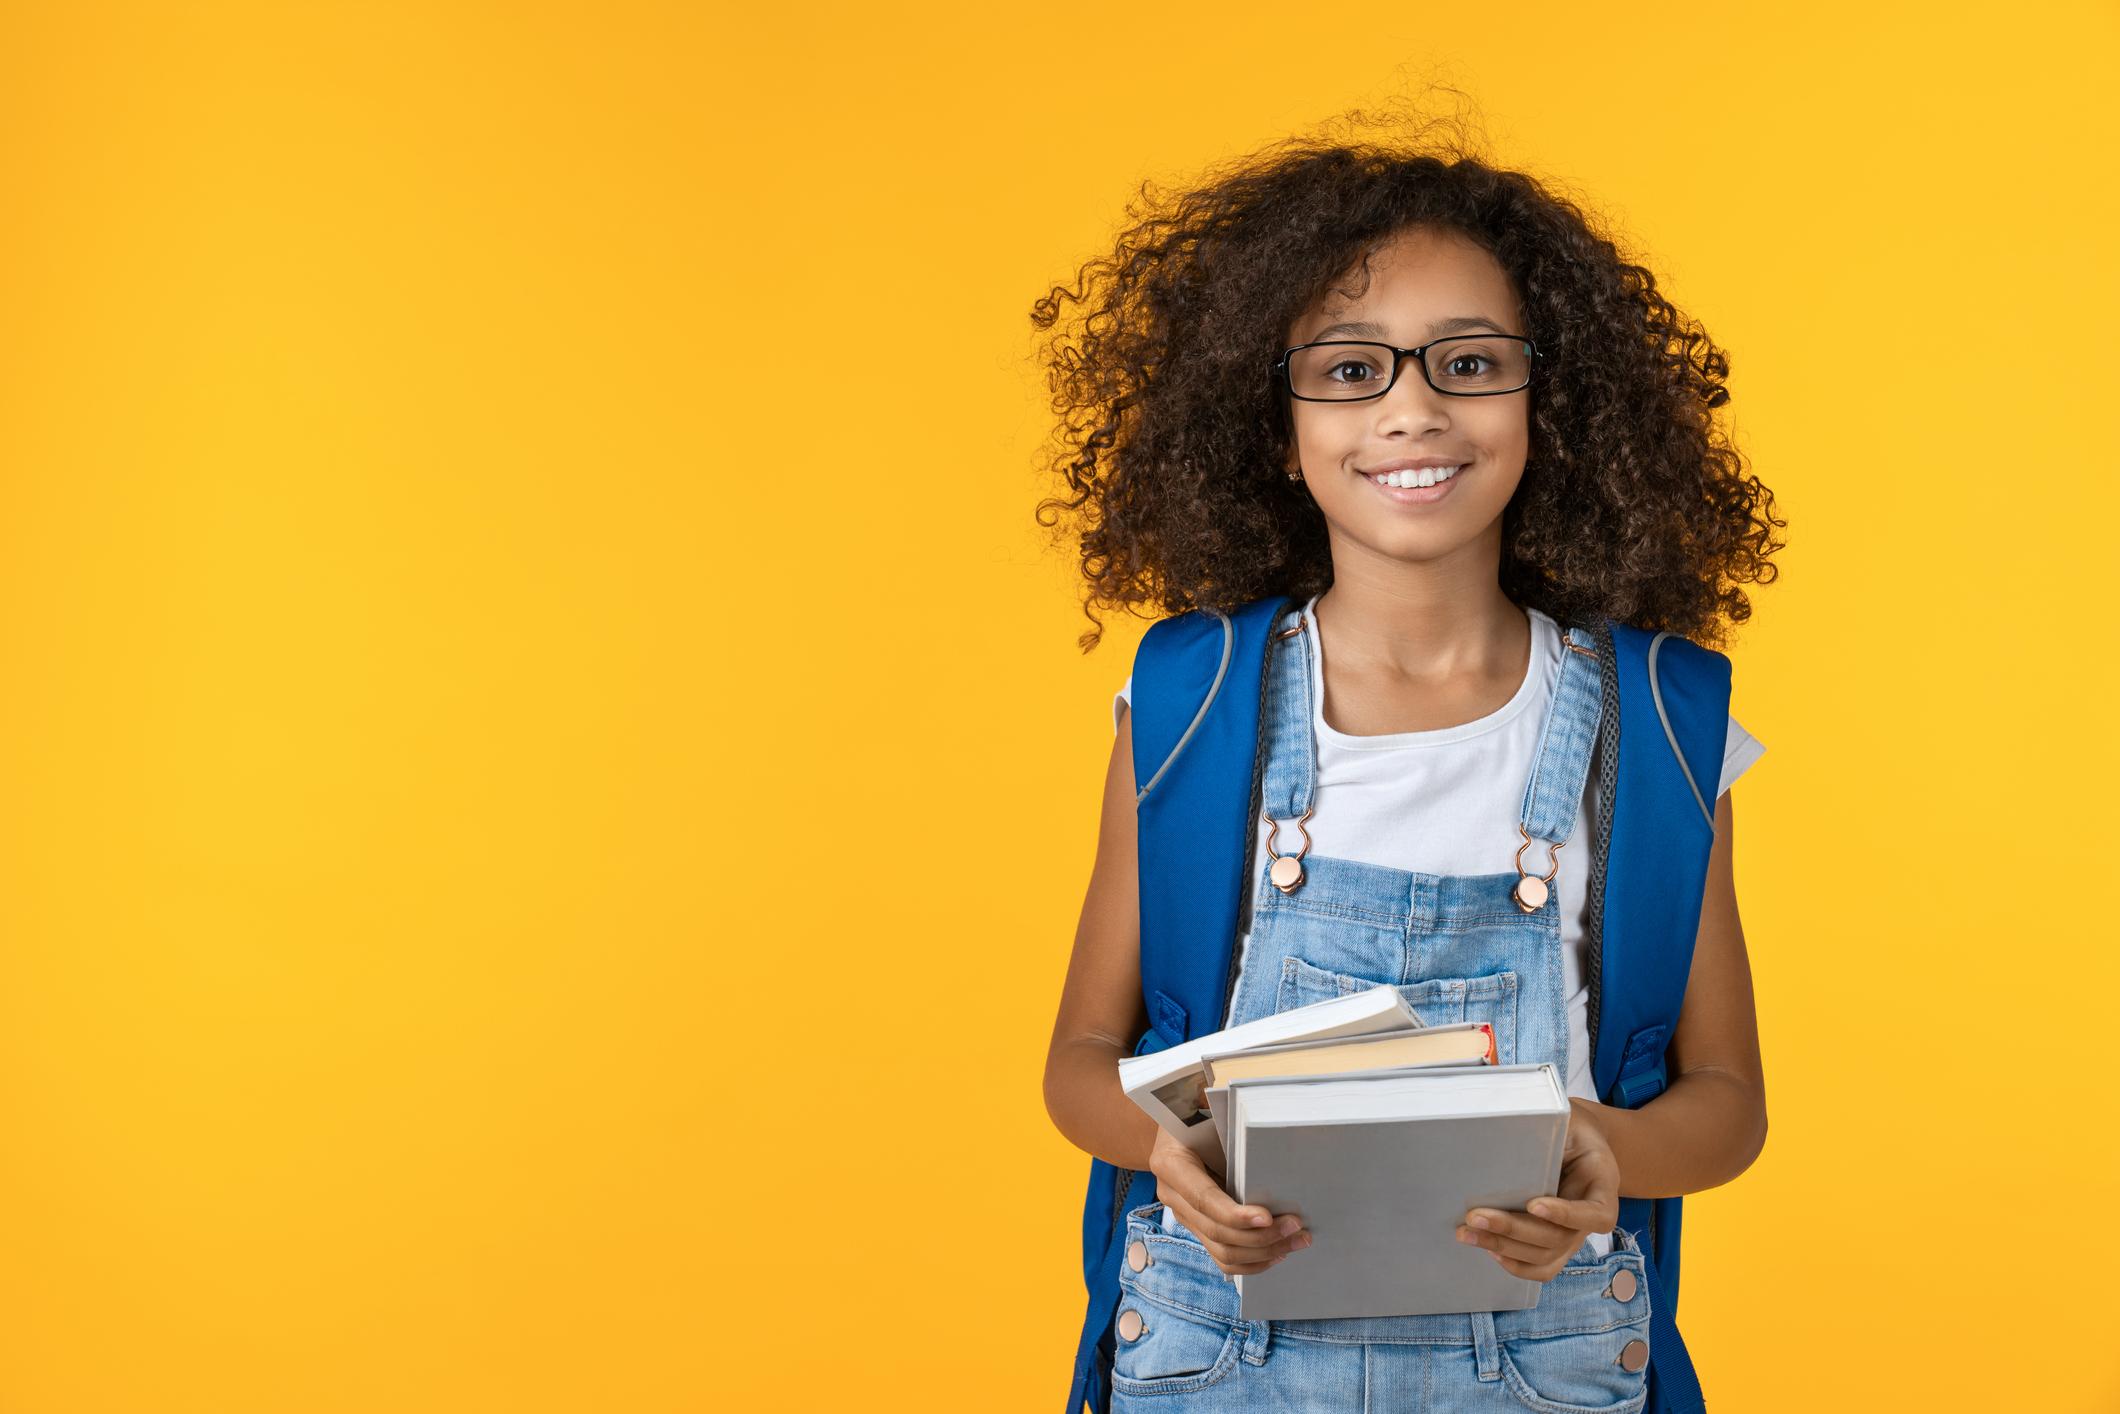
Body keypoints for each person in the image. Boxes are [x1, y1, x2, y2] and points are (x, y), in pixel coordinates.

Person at [1036, 110, 1783, 1414]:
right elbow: (1080, 1060)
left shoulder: (1663, 725)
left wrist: (1602, 1146)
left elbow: (1728, 1103)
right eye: (1349, 370)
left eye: (1470, 361)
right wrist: (1169, 1151)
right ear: (1277, 429)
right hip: (1213, 1365)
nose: (1413, 408)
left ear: (1549, 405)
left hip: (1546, 1369)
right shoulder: (1186, 706)